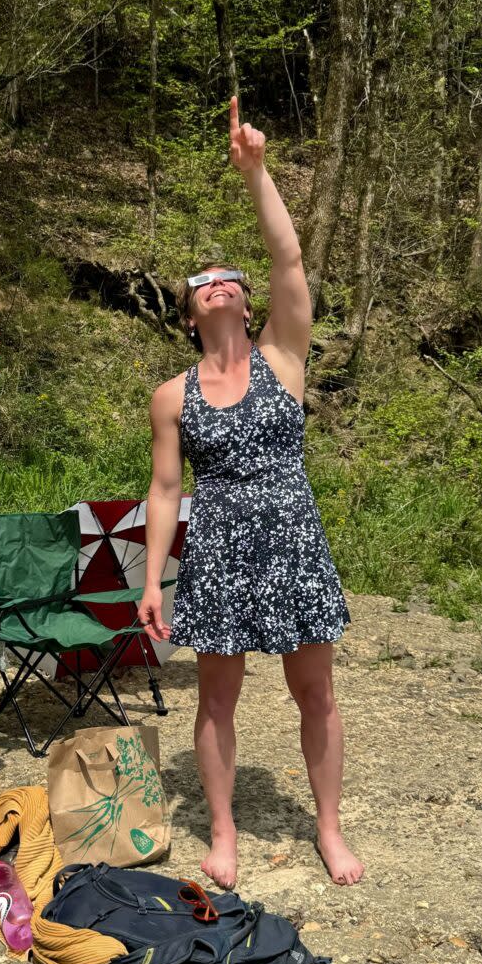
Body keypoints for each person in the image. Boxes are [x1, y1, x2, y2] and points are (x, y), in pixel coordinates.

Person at [138, 97, 364, 891]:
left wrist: (257, 172)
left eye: (227, 275)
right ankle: (224, 834)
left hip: (294, 537)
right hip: (222, 545)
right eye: (200, 282)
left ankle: (328, 829)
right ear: (189, 310)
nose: (218, 282)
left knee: (316, 691)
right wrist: (150, 577)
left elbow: (290, 262)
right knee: (217, 698)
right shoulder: (172, 394)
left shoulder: (284, 357)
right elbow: (166, 489)